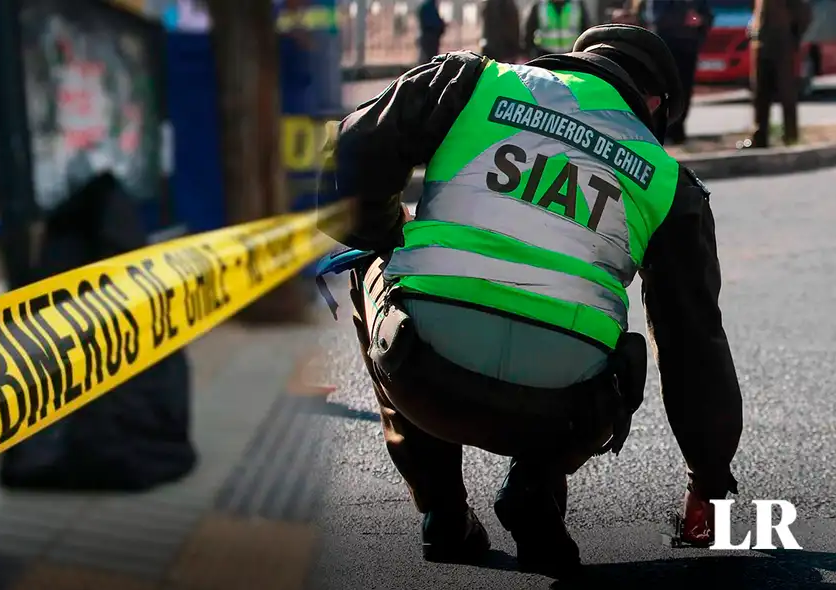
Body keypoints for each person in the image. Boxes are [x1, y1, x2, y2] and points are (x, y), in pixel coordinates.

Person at [317, 24, 743, 578]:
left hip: (421, 375)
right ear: (656, 104)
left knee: (372, 260)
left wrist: (388, 231)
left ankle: (444, 514)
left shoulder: (472, 81)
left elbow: (348, 160)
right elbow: (695, 346)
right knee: (603, 330)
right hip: (564, 415)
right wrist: (709, 482)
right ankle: (535, 490)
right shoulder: (668, 182)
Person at [628, 0, 714, 144]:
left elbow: (707, 15)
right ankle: (664, 131)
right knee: (665, 91)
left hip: (689, 47)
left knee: (684, 91)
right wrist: (684, 18)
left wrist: (700, 20)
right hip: (666, 48)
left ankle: (678, 131)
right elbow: (655, 17)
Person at [744, 0, 813, 148]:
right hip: (760, 44)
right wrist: (752, 28)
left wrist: (792, 38)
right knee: (760, 94)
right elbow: (756, 11)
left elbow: (803, 14)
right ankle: (759, 137)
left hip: (782, 45)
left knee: (786, 92)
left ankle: (790, 136)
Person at [522, 0, 591, 59]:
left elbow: (587, 32)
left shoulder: (577, 4)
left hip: (573, 55)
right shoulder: (539, 5)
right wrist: (529, 55)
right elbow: (528, 34)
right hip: (545, 55)